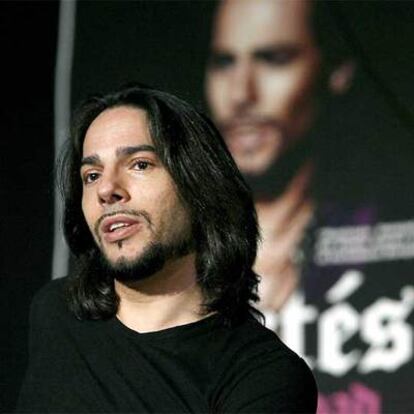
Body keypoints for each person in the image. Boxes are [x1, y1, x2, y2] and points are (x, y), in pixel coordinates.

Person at [16, 83, 317, 413]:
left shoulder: (262, 376)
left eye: (140, 164)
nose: (107, 189)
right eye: (91, 174)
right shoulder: (56, 314)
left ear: (200, 185)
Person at [205, 0, 414, 413]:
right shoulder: (180, 255)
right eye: (224, 62)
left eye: (273, 59)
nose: (242, 94)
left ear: (337, 71)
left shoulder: (386, 243)